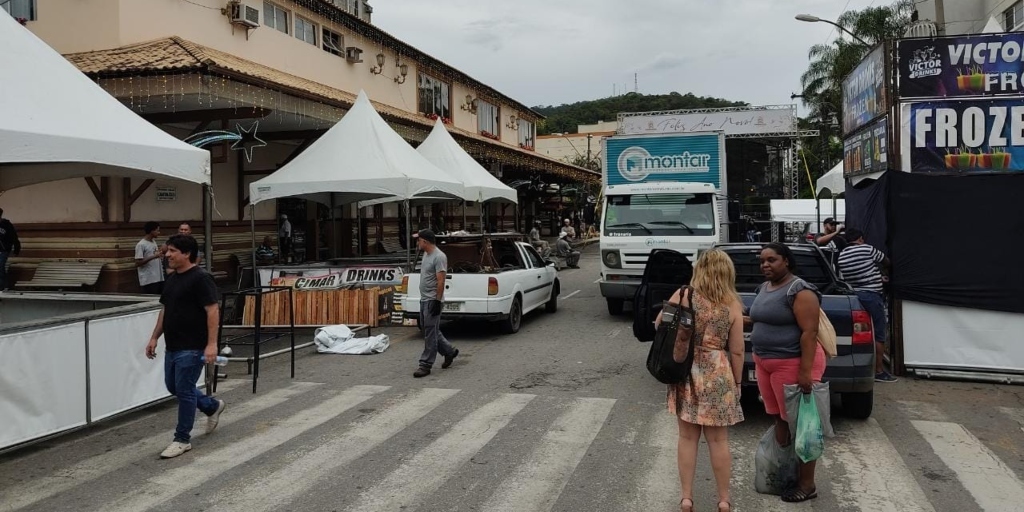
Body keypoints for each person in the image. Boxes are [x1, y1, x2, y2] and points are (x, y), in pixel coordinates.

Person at [656, 249, 744, 512]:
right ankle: (724, 500)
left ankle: (686, 498)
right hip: (718, 373)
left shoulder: (684, 295)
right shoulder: (732, 304)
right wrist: (737, 384)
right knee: (719, 441)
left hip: (685, 371)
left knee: (687, 438)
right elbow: (737, 349)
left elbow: (659, 324)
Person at [746, 242, 826, 503]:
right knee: (779, 419)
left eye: (772, 260)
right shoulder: (765, 288)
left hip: (791, 364)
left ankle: (807, 484)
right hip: (765, 363)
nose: (765, 265)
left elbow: (809, 332)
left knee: (803, 426)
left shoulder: (800, 290)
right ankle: (785, 474)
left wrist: (805, 372)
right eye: (762, 261)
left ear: (787, 262)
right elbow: (756, 318)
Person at [144, 234, 225, 459]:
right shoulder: (171, 279)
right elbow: (165, 310)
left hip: (193, 345)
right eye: (167, 251)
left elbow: (212, 310)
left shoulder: (201, 278)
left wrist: (211, 344)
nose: (167, 255)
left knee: (185, 391)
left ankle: (182, 439)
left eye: (172, 251)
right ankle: (211, 406)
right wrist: (154, 337)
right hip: (173, 344)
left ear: (186, 254)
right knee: (175, 387)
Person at [836, 228, 897, 383]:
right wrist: (884, 272)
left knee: (863, 334)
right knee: (879, 333)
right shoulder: (866, 248)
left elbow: (859, 275)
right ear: (861, 238)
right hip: (872, 296)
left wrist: (876, 277)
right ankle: (878, 371)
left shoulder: (842, 255)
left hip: (856, 295)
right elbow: (886, 261)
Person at [413, 229, 458, 378]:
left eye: (418, 240)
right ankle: (449, 351)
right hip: (424, 298)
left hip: (432, 299)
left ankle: (425, 364)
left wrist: (437, 301)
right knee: (430, 329)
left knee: (430, 333)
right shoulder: (426, 254)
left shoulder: (439, 257)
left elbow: (441, 281)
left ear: (425, 241)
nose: (417, 243)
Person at [135, 221, 166, 294]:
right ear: (152, 231)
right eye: (157, 230)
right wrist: (154, 256)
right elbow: (138, 262)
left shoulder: (153, 242)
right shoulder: (141, 245)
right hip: (148, 279)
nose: (159, 232)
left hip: (158, 277)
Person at [0, 208, 21, 291]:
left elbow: (14, 237)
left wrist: (16, 249)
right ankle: (5, 285)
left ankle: (2, 287)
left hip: (4, 250)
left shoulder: (7, 225)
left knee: (0, 266)